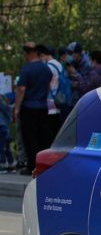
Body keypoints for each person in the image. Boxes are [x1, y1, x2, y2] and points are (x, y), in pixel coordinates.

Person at [14, 43, 57, 175]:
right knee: (42, 137)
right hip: (43, 107)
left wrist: (16, 108)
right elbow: (50, 85)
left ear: (28, 53)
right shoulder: (46, 69)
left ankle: (32, 166)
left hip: (29, 107)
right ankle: (42, 165)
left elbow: (21, 89)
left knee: (29, 138)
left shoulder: (26, 70)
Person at [0, 93, 13, 172]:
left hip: (3, 130)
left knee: (2, 148)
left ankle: (2, 164)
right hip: (6, 131)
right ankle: (10, 164)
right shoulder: (8, 108)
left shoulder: (6, 108)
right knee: (7, 149)